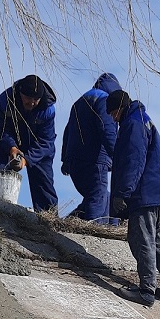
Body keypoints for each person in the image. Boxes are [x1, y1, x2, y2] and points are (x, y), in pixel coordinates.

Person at [106, 90, 160, 308]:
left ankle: (147, 291)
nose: (113, 119)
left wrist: (123, 193)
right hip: (159, 193)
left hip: (145, 193)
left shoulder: (132, 123)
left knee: (143, 240)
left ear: (119, 109)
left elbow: (133, 160)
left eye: (112, 113)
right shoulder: (142, 119)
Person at [0, 74, 57, 211]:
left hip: (38, 147)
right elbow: (0, 129)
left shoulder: (48, 109)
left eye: (36, 99)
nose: (32, 102)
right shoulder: (5, 101)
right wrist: (11, 147)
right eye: (28, 98)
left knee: (43, 184)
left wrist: (27, 159)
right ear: (20, 93)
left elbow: (46, 141)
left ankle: (48, 219)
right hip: (9, 141)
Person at [61, 73, 122, 224]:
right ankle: (94, 231)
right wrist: (118, 157)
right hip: (95, 160)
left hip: (75, 161)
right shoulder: (105, 100)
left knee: (100, 198)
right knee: (98, 198)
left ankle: (69, 223)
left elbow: (67, 132)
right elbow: (107, 130)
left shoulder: (79, 101)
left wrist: (65, 159)